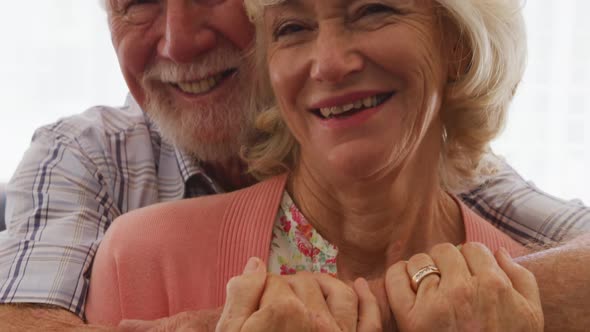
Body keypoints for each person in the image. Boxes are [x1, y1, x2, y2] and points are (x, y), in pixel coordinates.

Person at [0, 0, 588, 331]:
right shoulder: (118, 214)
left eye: (374, 9)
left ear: (457, 44)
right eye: (294, 28)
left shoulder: (497, 231)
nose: (328, 63)